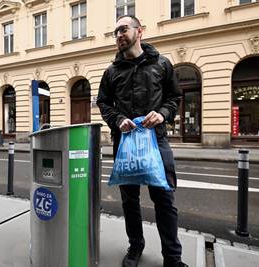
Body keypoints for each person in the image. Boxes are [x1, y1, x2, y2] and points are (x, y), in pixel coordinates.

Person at [96, 15, 188, 267]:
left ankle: (172, 258)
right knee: (130, 201)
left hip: (157, 142)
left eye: (123, 29)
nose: (118, 35)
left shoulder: (162, 64)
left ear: (140, 32)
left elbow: (173, 97)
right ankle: (135, 247)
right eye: (115, 32)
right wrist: (117, 120)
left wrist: (162, 114)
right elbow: (103, 102)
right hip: (125, 144)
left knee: (165, 200)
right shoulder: (111, 71)